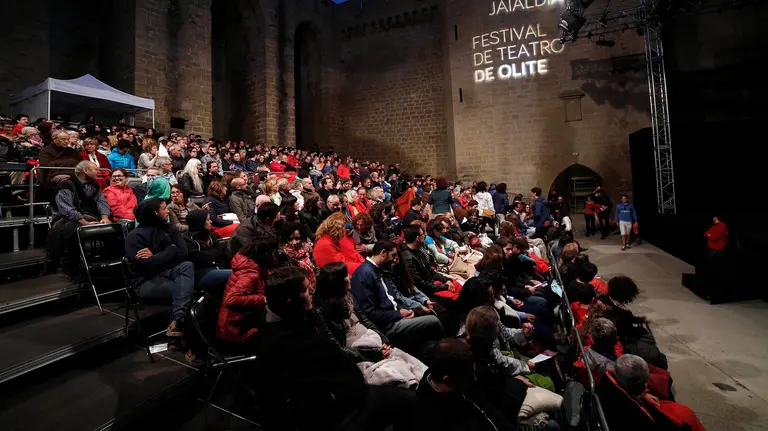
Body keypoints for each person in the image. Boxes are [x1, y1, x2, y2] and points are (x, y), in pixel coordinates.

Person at [251, 266, 414, 431]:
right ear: (291, 303)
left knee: (409, 398)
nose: (313, 292)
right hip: (338, 412)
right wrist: (330, 398)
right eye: (307, 290)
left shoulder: (299, 315)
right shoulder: (277, 343)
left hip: (353, 391)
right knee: (408, 401)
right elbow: (278, 400)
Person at [124, 199, 195, 358]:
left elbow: (183, 254)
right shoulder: (135, 236)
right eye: (164, 209)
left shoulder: (170, 228)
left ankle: (176, 324)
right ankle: (184, 337)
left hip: (167, 271)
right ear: (154, 213)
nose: (168, 211)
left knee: (187, 265)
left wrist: (157, 256)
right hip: (144, 281)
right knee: (188, 289)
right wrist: (170, 250)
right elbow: (146, 265)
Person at [351, 240, 445, 356]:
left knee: (433, 312)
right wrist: (399, 314)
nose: (395, 259)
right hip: (387, 325)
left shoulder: (378, 270)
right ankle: (445, 353)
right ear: (383, 253)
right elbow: (370, 314)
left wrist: (409, 309)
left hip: (395, 314)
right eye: (393, 255)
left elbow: (393, 298)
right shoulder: (365, 274)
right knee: (433, 321)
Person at [414, 338, 516, 431]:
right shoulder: (441, 419)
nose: (475, 378)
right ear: (448, 381)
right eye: (470, 375)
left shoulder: (438, 375)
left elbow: (488, 406)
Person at [597, 355, 704, 431]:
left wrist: (644, 394)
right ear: (634, 384)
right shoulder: (637, 417)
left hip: (642, 405)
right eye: (644, 382)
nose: (646, 385)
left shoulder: (609, 377)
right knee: (687, 415)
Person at [314, 262, 391, 363]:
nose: (350, 276)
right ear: (337, 282)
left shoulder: (348, 297)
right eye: (346, 275)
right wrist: (374, 354)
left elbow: (365, 321)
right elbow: (336, 348)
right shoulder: (321, 311)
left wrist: (382, 341)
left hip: (373, 344)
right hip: (358, 356)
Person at [217, 225, 278, 343]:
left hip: (245, 322)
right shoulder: (249, 273)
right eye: (274, 251)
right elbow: (232, 299)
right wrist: (263, 299)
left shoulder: (254, 264)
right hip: (238, 331)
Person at [47, 160, 112, 269]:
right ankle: (70, 263)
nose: (98, 172)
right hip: (68, 218)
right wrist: (84, 223)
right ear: (86, 171)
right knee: (70, 228)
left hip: (90, 217)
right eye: (95, 169)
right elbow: (66, 209)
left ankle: (107, 263)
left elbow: (101, 202)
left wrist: (105, 217)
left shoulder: (94, 186)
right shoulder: (65, 185)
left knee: (113, 228)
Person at [596, 276, 667, 370]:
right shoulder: (623, 312)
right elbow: (627, 326)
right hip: (622, 339)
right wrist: (639, 321)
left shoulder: (603, 299)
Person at [400, 225, 457, 299]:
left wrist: (447, 280)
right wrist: (445, 286)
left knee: (456, 284)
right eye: (423, 235)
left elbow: (430, 271)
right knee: (455, 296)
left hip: (432, 284)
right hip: (426, 292)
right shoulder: (407, 257)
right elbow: (420, 284)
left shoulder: (419, 250)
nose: (425, 236)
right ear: (417, 238)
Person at [183, 210, 231, 295]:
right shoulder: (186, 239)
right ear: (200, 223)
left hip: (216, 267)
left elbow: (219, 250)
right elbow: (199, 259)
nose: (211, 222)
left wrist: (209, 254)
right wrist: (213, 253)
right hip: (200, 274)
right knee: (237, 275)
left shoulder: (209, 234)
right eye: (208, 220)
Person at [279, 222, 317, 292]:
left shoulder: (307, 248)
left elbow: (315, 268)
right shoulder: (283, 254)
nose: (294, 242)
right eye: (290, 239)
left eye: (297, 238)